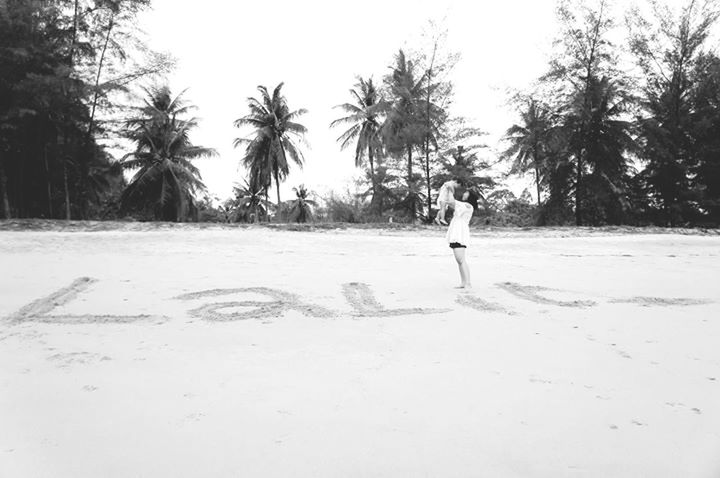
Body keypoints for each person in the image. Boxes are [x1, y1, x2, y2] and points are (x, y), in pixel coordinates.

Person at [445, 187, 480, 289]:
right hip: (456, 232)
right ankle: (464, 282)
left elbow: (451, 202)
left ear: (470, 196)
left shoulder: (468, 206)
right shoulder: (464, 205)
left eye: (466, 193)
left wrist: (450, 189)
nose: (464, 194)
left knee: (461, 259)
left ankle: (468, 283)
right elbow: (450, 202)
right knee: (459, 260)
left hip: (460, 233)